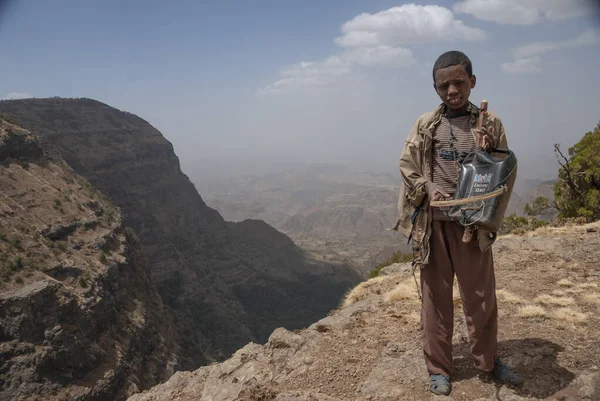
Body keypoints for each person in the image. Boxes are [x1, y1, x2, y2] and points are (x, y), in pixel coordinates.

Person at [392, 50, 523, 396]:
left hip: (471, 228)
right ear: (435, 88)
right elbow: (408, 165)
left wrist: (489, 151)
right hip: (433, 227)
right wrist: (428, 187)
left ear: (472, 82)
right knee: (436, 302)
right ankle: (439, 369)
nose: (451, 90)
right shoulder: (426, 125)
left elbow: (504, 170)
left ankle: (488, 362)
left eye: (458, 82)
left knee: (480, 298)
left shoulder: (489, 124)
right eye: (443, 85)